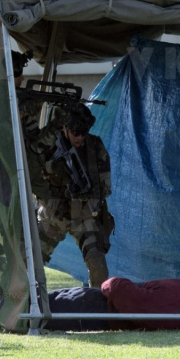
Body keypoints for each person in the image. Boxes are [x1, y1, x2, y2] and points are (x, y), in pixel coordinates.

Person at [34, 104, 114, 288]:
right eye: (76, 132)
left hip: (83, 217)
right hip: (53, 216)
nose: (80, 137)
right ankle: (27, 305)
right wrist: (52, 169)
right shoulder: (48, 144)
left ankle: (96, 310)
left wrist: (89, 193)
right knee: (29, 260)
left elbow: (105, 185)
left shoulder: (95, 147)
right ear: (64, 128)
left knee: (97, 264)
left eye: (84, 132)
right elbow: (32, 172)